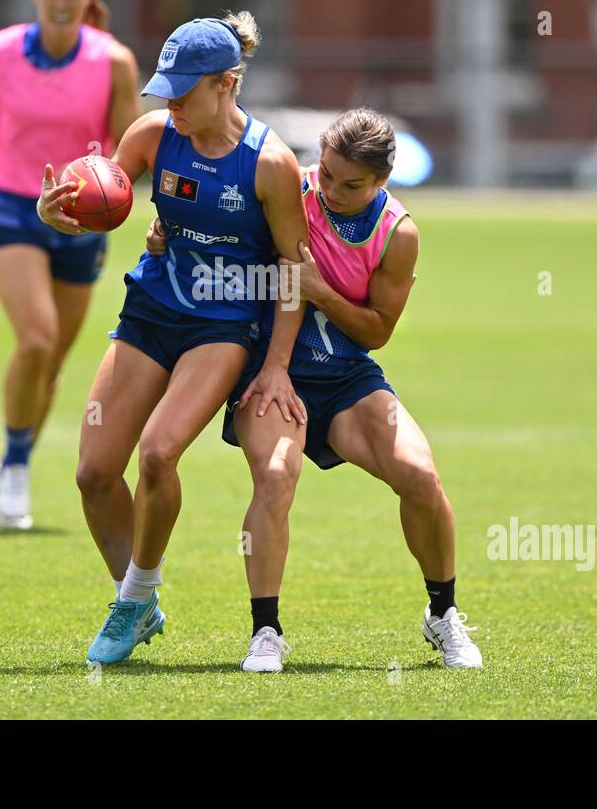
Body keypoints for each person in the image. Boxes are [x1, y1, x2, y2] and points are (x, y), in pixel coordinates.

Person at [147, 108, 483, 672]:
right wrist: (164, 238)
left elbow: (377, 331)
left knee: (421, 477)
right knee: (276, 477)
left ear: (382, 181)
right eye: (325, 173)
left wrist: (323, 293)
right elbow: (213, 231)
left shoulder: (397, 234)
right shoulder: (285, 189)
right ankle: (266, 631)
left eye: (351, 184)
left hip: (346, 379)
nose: (331, 190)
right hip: (269, 372)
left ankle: (443, 614)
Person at [37, 13, 309, 665]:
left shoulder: (270, 164)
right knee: (94, 472)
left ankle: (133, 601)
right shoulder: (155, 136)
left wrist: (277, 366)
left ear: (228, 83)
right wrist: (61, 219)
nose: (171, 105)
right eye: (167, 92)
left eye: (185, 94)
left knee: (159, 453)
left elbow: (295, 271)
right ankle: (140, 596)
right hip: (152, 309)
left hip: (224, 327)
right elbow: (100, 197)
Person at [0, 0, 139, 530]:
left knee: (51, 364)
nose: (62, 3)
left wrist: (118, 195)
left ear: (87, 1)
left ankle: (10, 460)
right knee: (37, 338)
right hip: (12, 211)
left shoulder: (113, 61)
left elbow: (127, 145)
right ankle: (18, 466)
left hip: (81, 219)